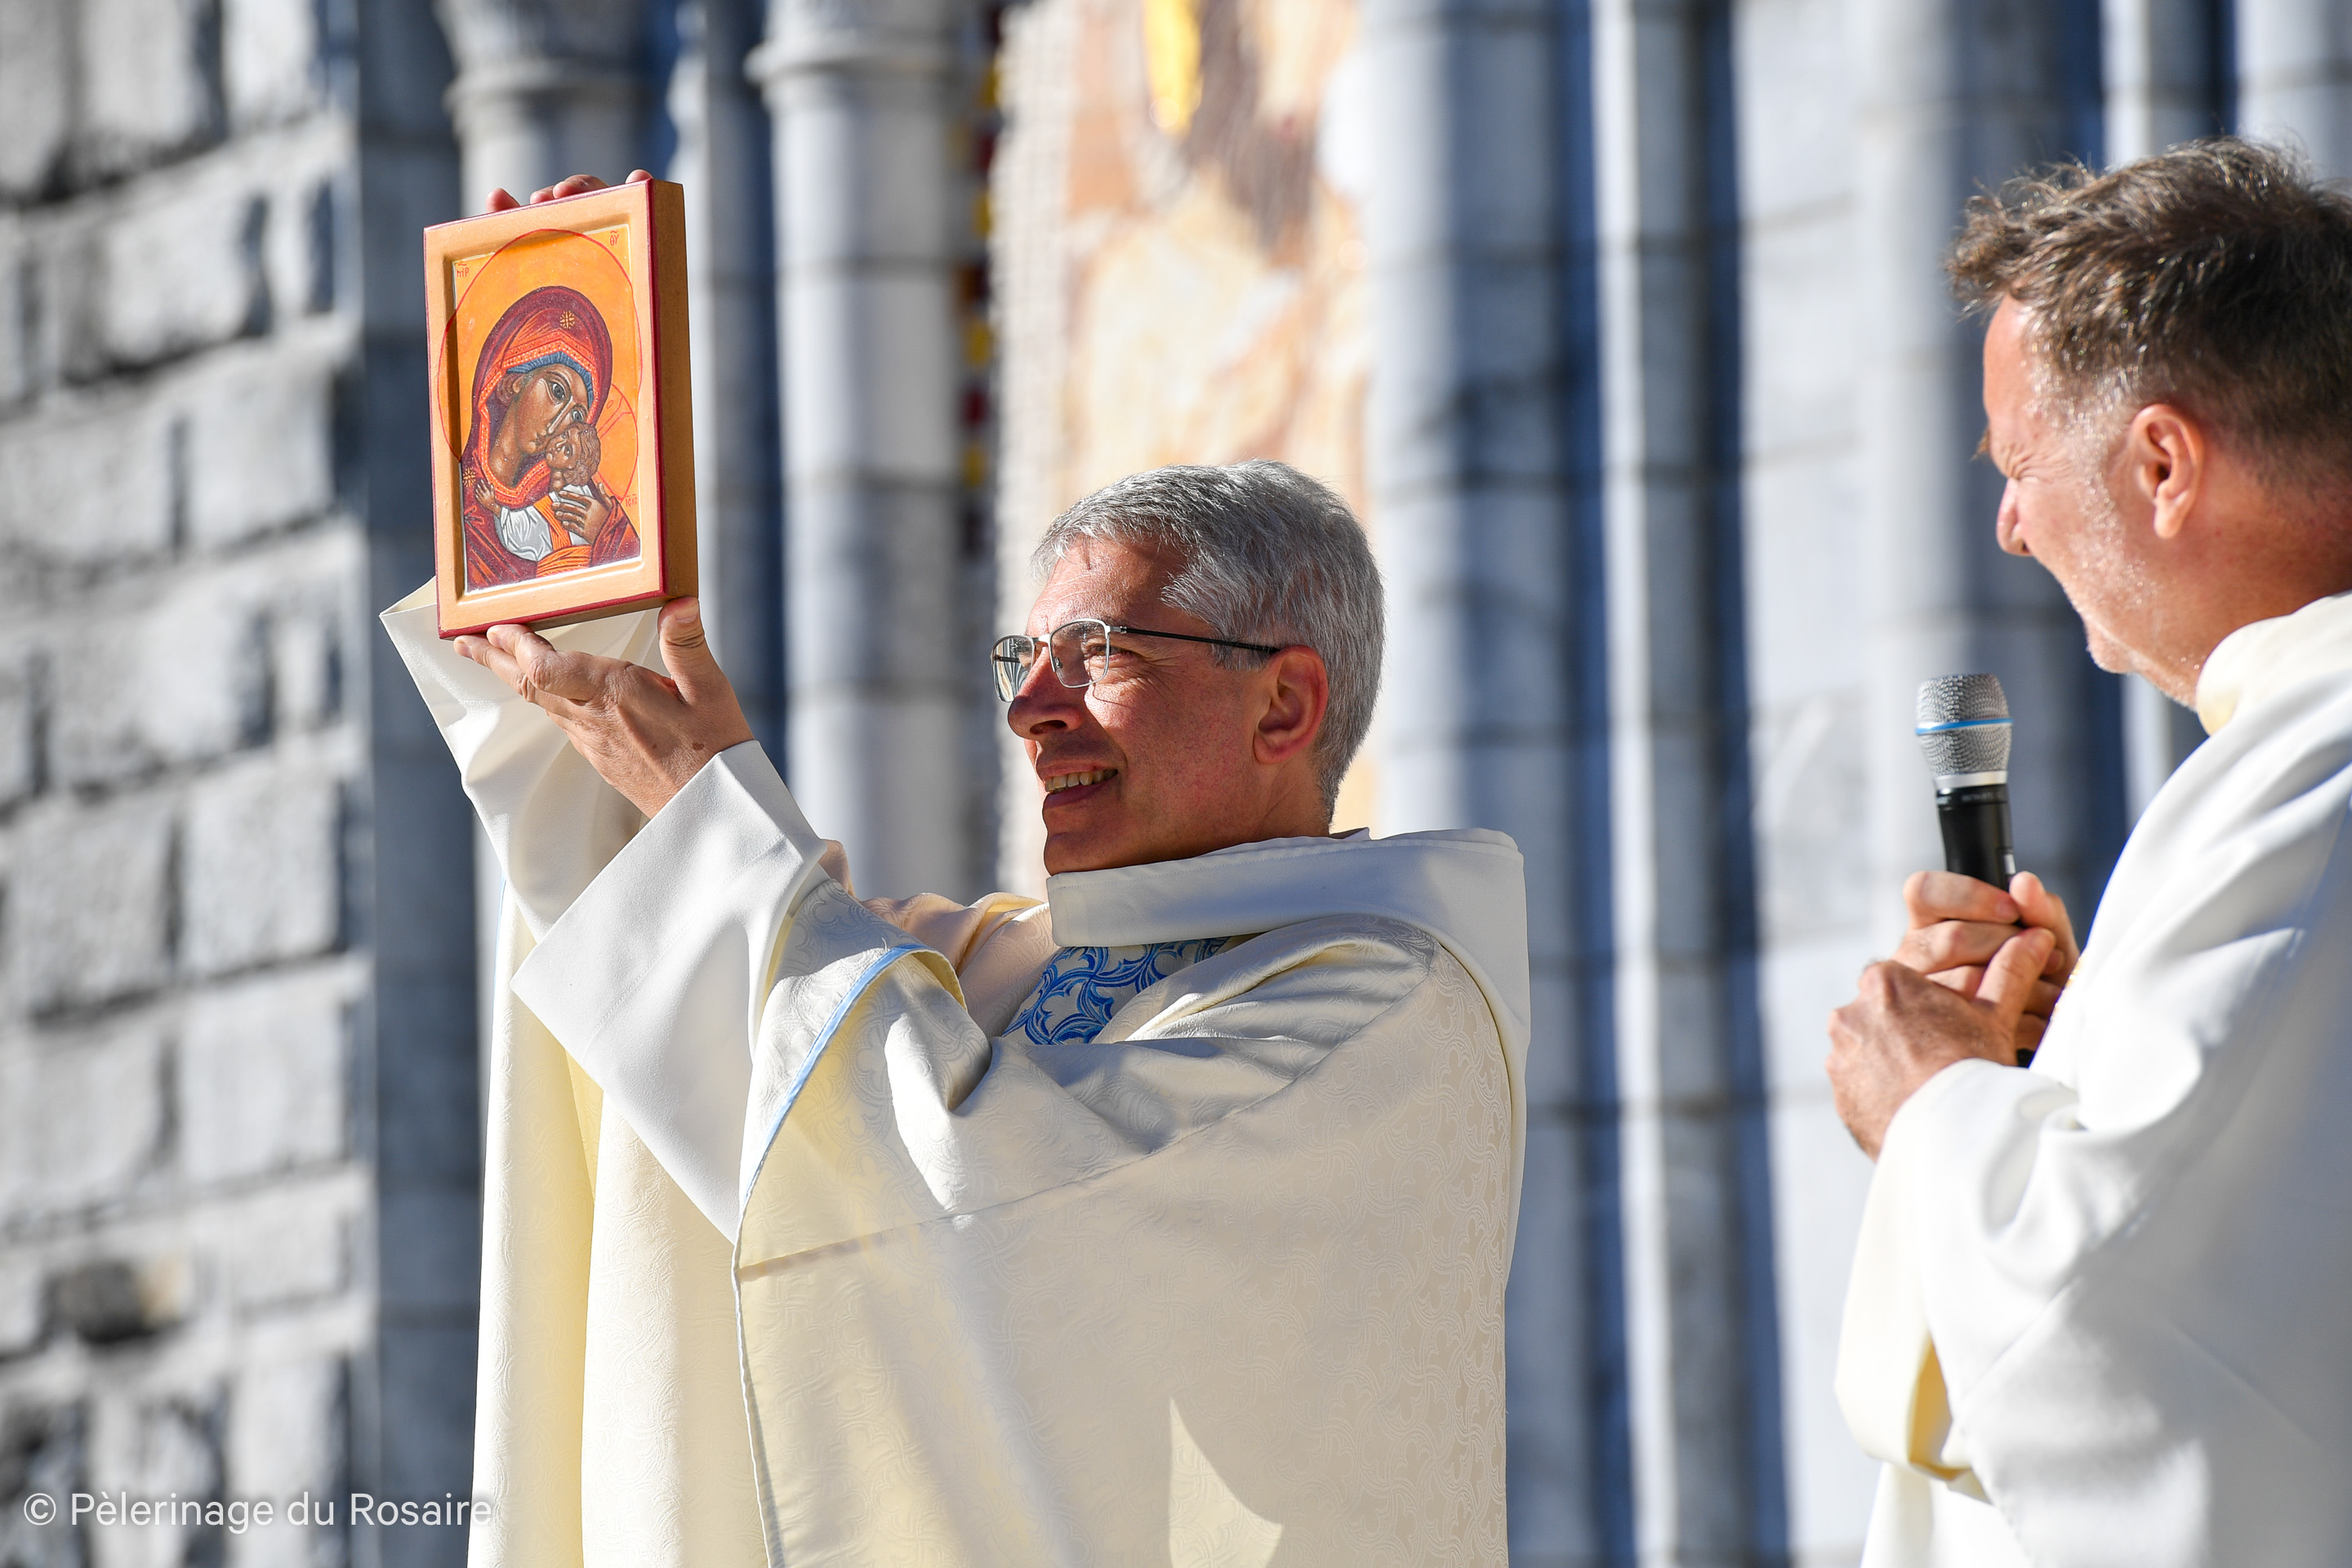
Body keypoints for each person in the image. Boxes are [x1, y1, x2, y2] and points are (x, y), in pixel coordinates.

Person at [386, 220, 1529, 1562]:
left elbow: (994, 1207)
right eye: (1018, 662)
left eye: (1094, 653)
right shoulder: (992, 965)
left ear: (1283, 705)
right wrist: (572, 591)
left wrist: (711, 824)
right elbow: (665, 968)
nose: (1032, 710)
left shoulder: (1388, 1015)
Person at [1825, 138, 2352, 1566]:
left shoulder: (2316, 772)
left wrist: (1929, 1098)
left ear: (2163, 464)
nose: (2008, 527)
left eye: (2018, 465)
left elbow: (2123, 1338)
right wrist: (2058, 1070)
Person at [459, 283, 639, 589]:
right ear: (516, 382)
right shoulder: (461, 494)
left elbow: (632, 572)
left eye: (577, 416)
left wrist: (605, 532)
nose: (559, 423)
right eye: (557, 391)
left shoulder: (573, 495)